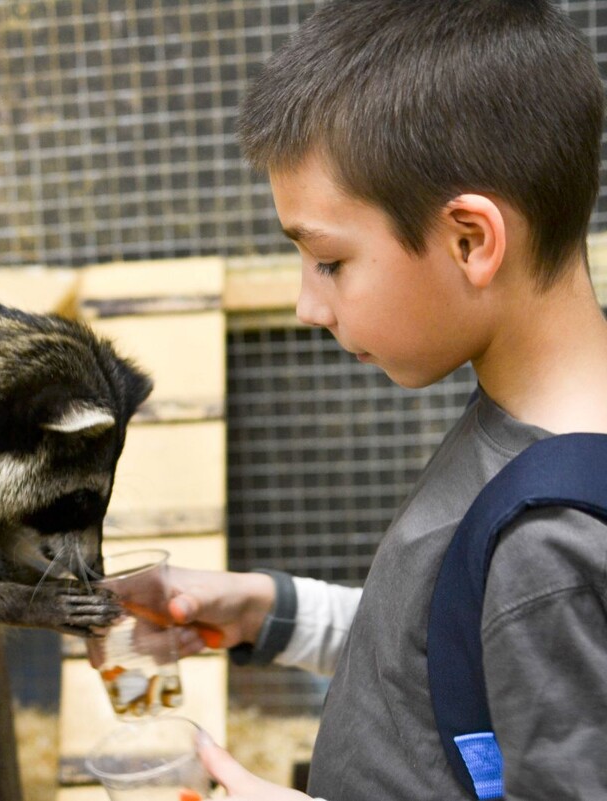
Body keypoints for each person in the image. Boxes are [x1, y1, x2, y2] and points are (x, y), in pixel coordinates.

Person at [166, 1, 607, 798]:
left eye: (329, 261)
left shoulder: (546, 547)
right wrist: (273, 611)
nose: (308, 304)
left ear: (471, 240)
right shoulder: (531, 430)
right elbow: (458, 655)